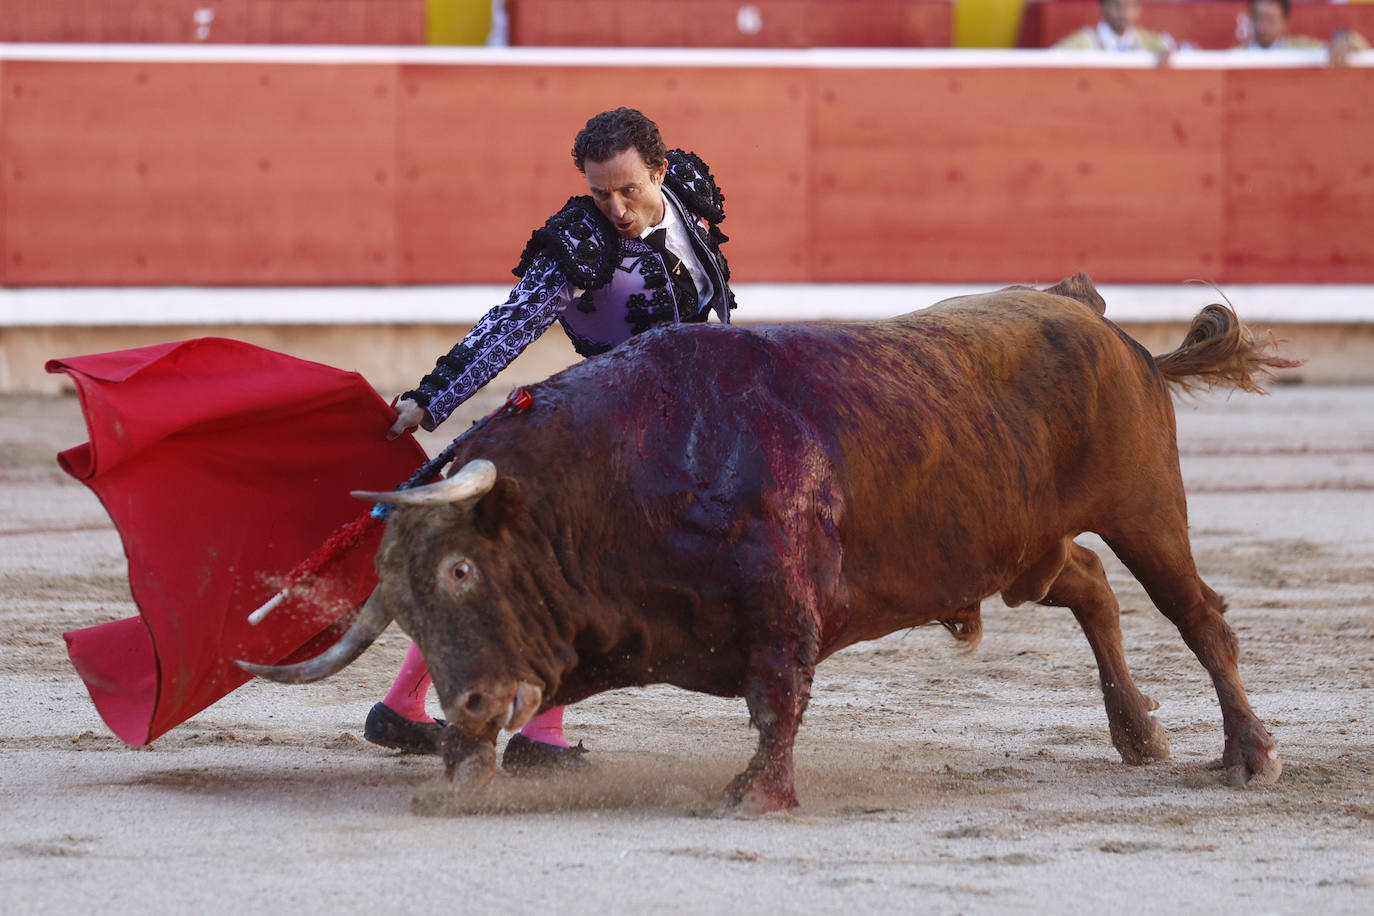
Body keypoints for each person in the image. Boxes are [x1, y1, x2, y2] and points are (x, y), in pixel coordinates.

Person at [361, 107, 737, 771]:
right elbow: (508, 328)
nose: (615, 207)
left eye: (628, 190)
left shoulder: (691, 194)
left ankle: (401, 704)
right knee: (573, 566)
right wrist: (430, 396)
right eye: (599, 191)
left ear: (660, 170)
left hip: (688, 420)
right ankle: (540, 735)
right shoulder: (578, 245)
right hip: (604, 428)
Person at [1234, 0, 1369, 66]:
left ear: (1284, 22)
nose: (1262, 26)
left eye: (1270, 20)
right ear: (1250, 18)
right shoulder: (1235, 55)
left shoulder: (1302, 48)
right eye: (1258, 18)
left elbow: (1361, 46)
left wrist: (1343, 40)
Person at [1053, 0, 1179, 54]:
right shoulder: (1081, 43)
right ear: (1103, 8)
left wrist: (1174, 53)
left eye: (1129, 6)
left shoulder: (1152, 42)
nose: (1124, 13)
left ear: (1138, 9)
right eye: (1117, 6)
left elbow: (1186, 51)